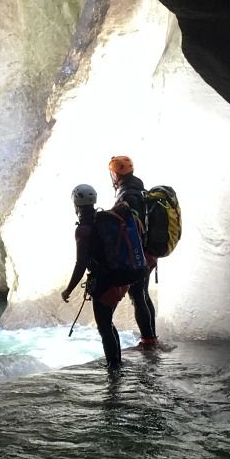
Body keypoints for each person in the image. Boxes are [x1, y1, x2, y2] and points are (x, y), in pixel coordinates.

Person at [60, 183, 129, 371]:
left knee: (104, 326)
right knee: (108, 322)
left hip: (104, 282)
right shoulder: (104, 219)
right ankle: (116, 363)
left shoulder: (83, 229)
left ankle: (114, 369)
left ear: (76, 203)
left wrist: (68, 289)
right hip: (121, 278)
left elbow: (81, 264)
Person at [108, 155, 158, 348]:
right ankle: (151, 336)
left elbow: (127, 226)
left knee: (137, 295)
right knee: (143, 293)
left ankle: (148, 340)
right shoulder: (139, 188)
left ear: (116, 174)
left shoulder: (127, 195)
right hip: (149, 250)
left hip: (139, 253)